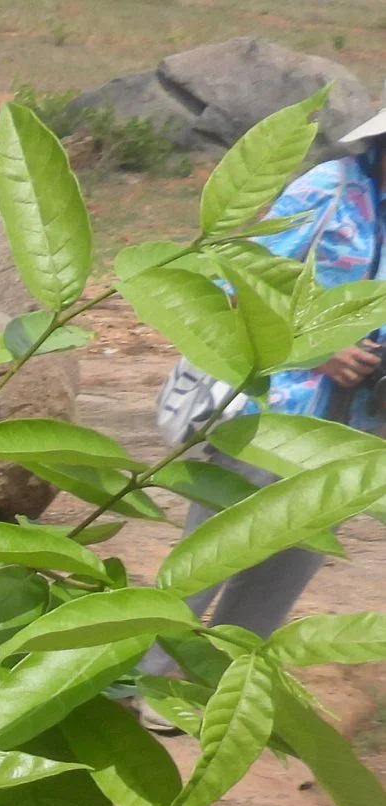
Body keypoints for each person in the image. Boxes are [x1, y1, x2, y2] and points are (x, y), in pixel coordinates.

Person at [148, 109, 386, 685]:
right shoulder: (327, 190)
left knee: (288, 563)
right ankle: (145, 678)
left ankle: (216, 685)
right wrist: (317, 346)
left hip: (356, 427)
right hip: (274, 410)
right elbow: (237, 284)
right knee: (212, 551)